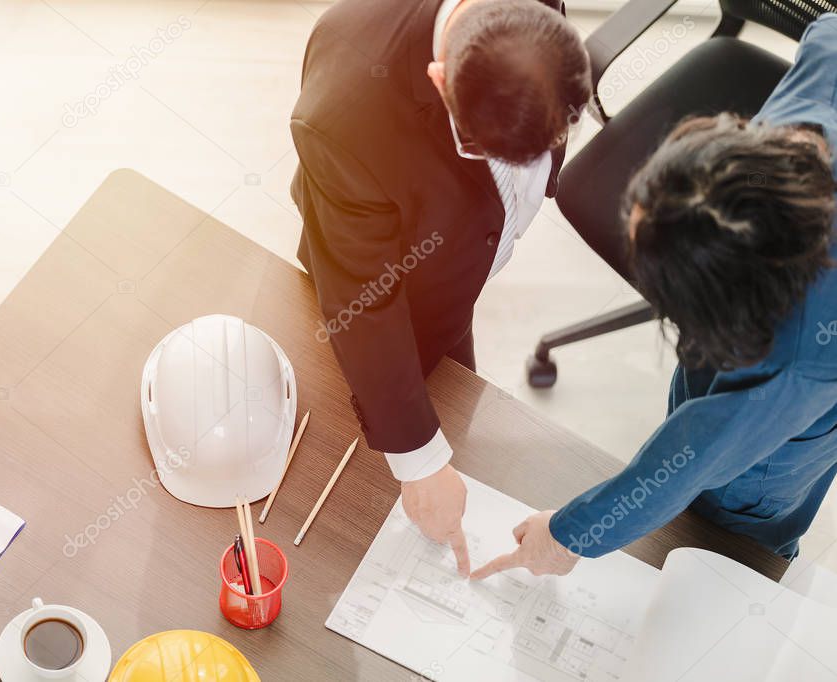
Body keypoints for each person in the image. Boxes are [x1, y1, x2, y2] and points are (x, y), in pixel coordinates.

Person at [472, 13, 837, 579]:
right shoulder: (827, 71)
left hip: (770, 462)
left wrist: (569, 534)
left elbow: (694, 456)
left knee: (728, 528)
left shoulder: (798, 362)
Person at [290, 0, 591, 575]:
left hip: (458, 263)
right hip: (395, 282)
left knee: (460, 406)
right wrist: (420, 463)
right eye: (489, 150)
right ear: (438, 77)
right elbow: (363, 299)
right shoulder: (346, 111)